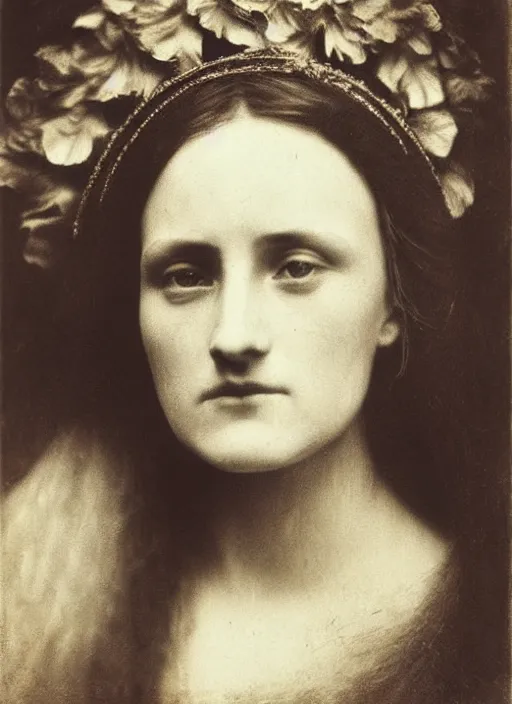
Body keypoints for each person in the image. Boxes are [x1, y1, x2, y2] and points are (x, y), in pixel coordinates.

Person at [1, 2, 508, 703]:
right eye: (185, 275)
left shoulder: (493, 633)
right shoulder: (25, 615)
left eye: (297, 266)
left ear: (392, 302)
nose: (234, 336)